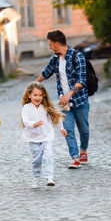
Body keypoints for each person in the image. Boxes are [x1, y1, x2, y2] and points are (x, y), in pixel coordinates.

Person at [36, 30, 89, 169]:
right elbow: (46, 73)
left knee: (84, 130)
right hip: (64, 104)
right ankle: (75, 158)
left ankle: (83, 150)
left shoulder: (78, 57)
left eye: (50, 44)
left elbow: (81, 80)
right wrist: (34, 85)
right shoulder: (55, 59)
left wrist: (69, 94)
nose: (50, 47)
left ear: (57, 43)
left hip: (80, 101)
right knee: (68, 130)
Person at [21, 82, 67, 188]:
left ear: (43, 96)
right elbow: (25, 121)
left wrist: (61, 128)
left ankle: (49, 178)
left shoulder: (46, 107)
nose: (38, 98)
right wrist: (34, 124)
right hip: (33, 138)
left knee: (48, 156)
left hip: (46, 136)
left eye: (40, 95)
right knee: (36, 160)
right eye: (35, 95)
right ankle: (36, 177)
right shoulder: (26, 108)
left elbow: (56, 116)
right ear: (29, 95)